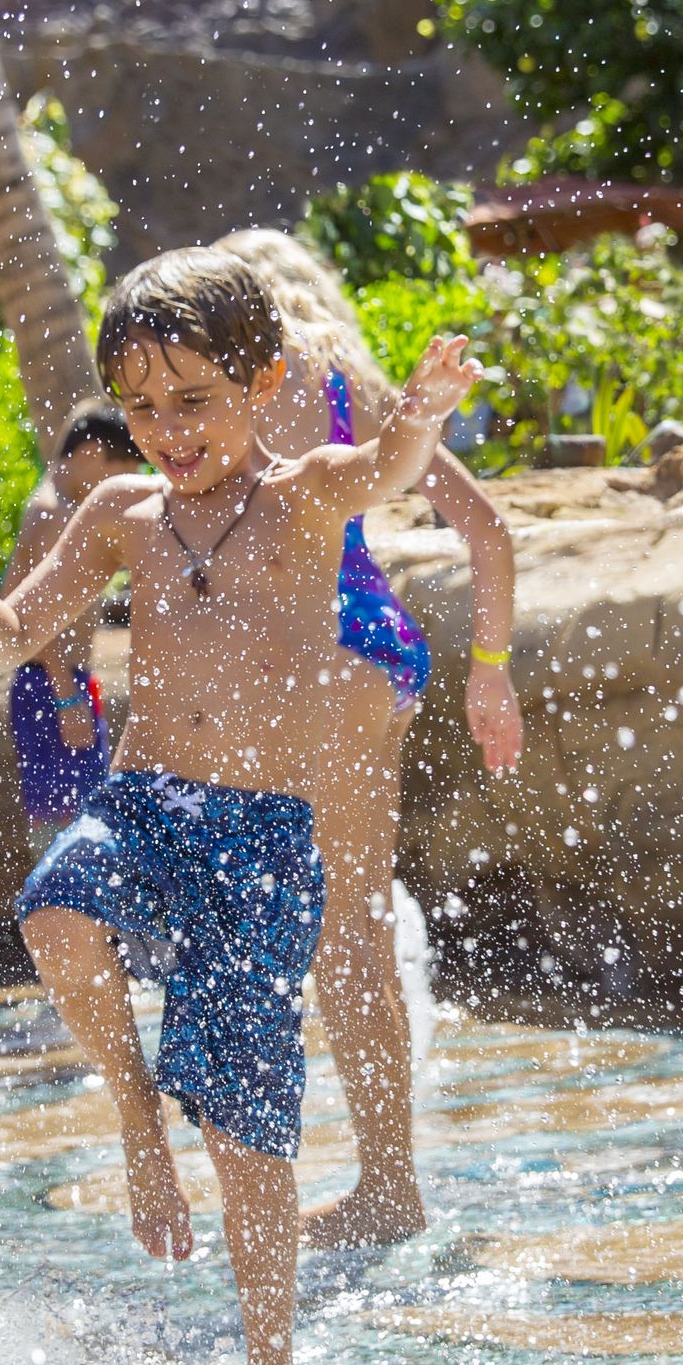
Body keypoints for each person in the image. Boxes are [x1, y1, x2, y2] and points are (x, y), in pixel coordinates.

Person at [0, 247, 483, 1365]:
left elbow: (392, 465)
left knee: (249, 1132)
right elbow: (9, 638)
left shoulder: (308, 494)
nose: (166, 431)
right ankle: (136, 1122)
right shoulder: (122, 513)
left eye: (195, 402)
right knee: (55, 907)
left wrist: (421, 413)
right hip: (143, 805)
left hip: (262, 838)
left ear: (265, 379)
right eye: (142, 406)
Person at [214, 227, 525, 1251]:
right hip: (378, 649)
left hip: (304, 655)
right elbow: (488, 529)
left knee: (319, 932)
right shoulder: (359, 389)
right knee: (355, 919)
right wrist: (490, 671)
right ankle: (385, 1179)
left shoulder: (233, 386)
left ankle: (382, 1190)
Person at [3, 400, 148, 850]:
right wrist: (66, 695)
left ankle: (69, 911)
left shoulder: (54, 502)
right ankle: (60, 913)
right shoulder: (54, 515)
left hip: (57, 682)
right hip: (51, 684)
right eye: (120, 468)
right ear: (90, 454)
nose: (123, 485)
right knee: (70, 825)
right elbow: (20, 615)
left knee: (77, 815)